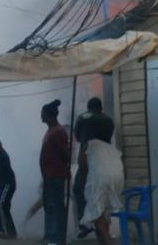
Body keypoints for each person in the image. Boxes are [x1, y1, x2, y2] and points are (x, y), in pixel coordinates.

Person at [72, 97, 114, 239]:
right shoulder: (108, 120)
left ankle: (85, 224)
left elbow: (78, 137)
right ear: (101, 108)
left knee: (79, 189)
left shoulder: (83, 118)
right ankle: (103, 231)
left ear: (89, 108)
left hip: (88, 160)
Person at [79, 139, 123, 245]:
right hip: (118, 176)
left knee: (95, 207)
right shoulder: (109, 147)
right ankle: (104, 236)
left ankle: (107, 239)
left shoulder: (88, 144)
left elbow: (82, 166)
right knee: (105, 207)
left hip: (100, 176)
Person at [39, 100, 70, 245]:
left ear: (49, 116)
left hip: (56, 175)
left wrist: (63, 168)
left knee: (55, 207)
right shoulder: (51, 131)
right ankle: (50, 236)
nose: (41, 116)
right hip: (49, 175)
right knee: (50, 206)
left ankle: (56, 239)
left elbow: (66, 155)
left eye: (43, 114)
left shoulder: (58, 132)